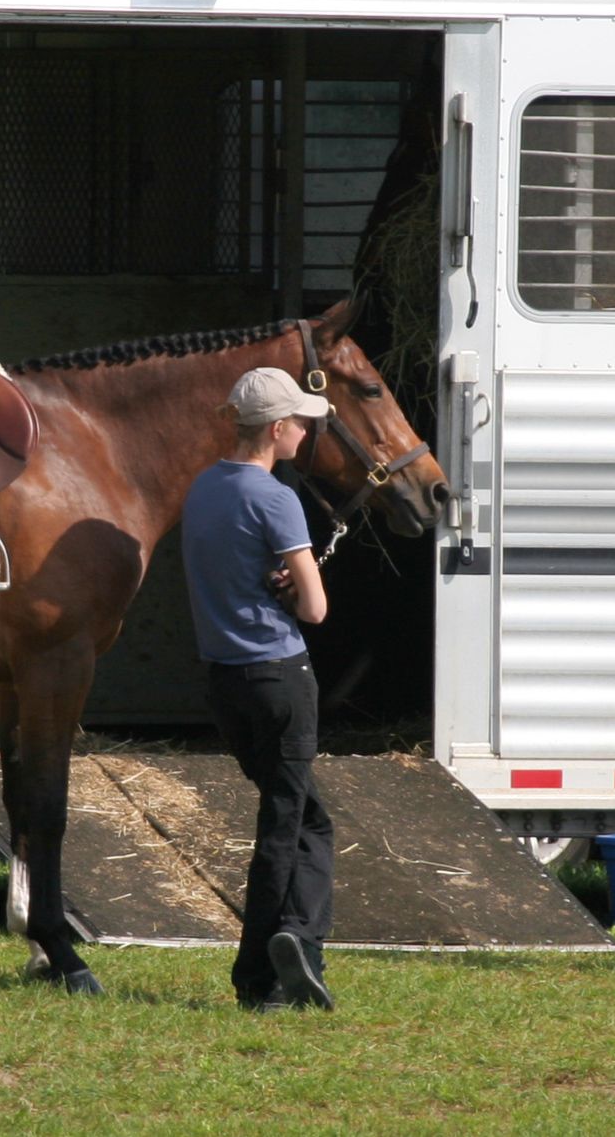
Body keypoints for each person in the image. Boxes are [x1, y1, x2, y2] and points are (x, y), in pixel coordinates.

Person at [181, 366, 336, 1013]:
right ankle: (266, 972)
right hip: (281, 677)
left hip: (224, 681)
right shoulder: (277, 498)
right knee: (288, 825)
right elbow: (315, 607)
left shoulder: (202, 488)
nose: (307, 429)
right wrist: (291, 581)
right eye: (301, 420)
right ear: (276, 429)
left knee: (301, 816)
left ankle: (297, 946)